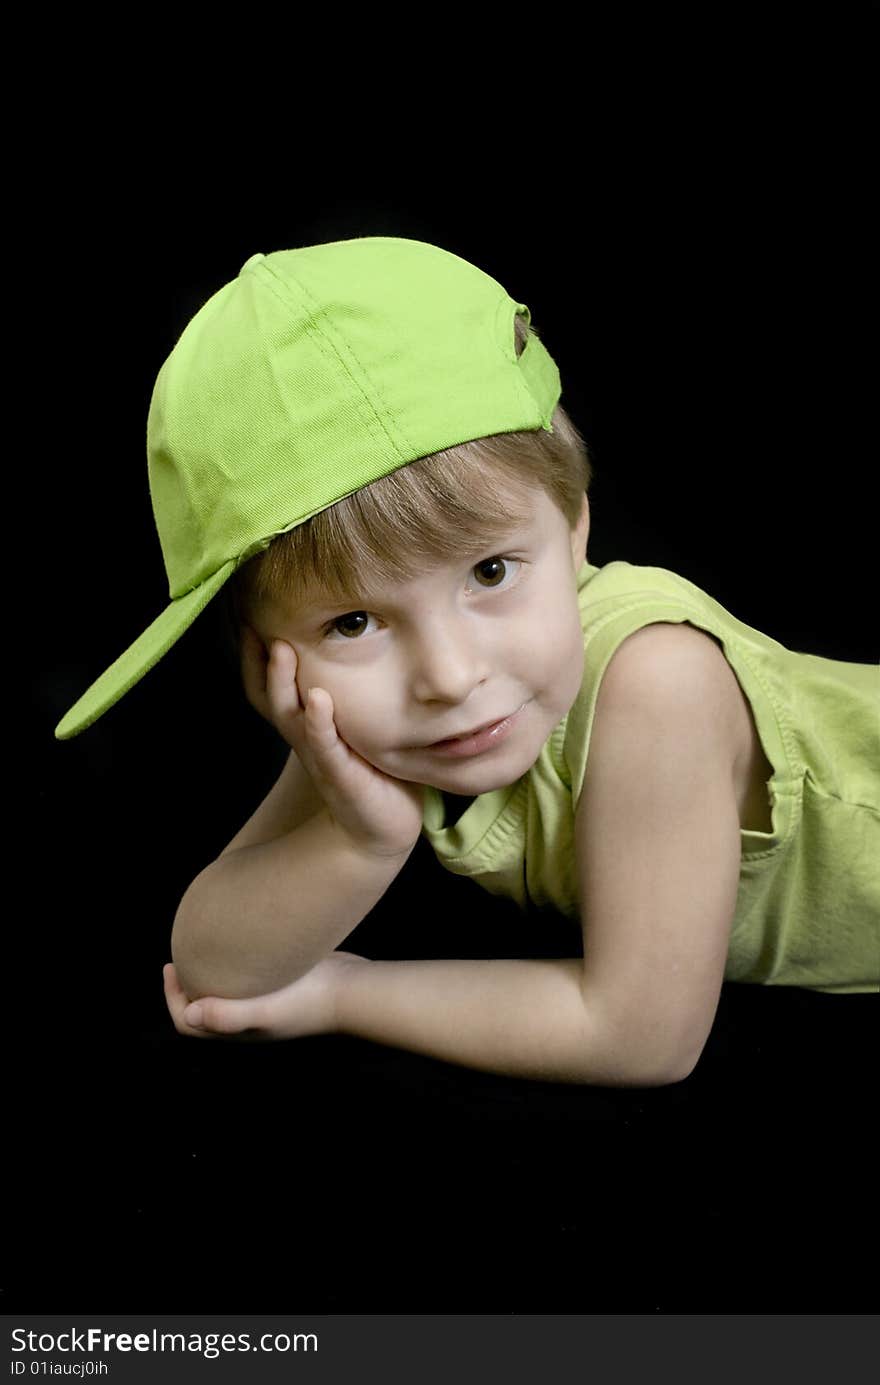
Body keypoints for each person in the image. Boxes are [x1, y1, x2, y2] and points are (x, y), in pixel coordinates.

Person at [54, 238, 880, 1086]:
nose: (447, 675)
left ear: (573, 532)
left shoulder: (656, 683)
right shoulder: (380, 721)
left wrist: (348, 996)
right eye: (353, 621)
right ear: (270, 663)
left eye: (489, 572)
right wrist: (360, 841)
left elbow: (641, 1035)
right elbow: (214, 965)